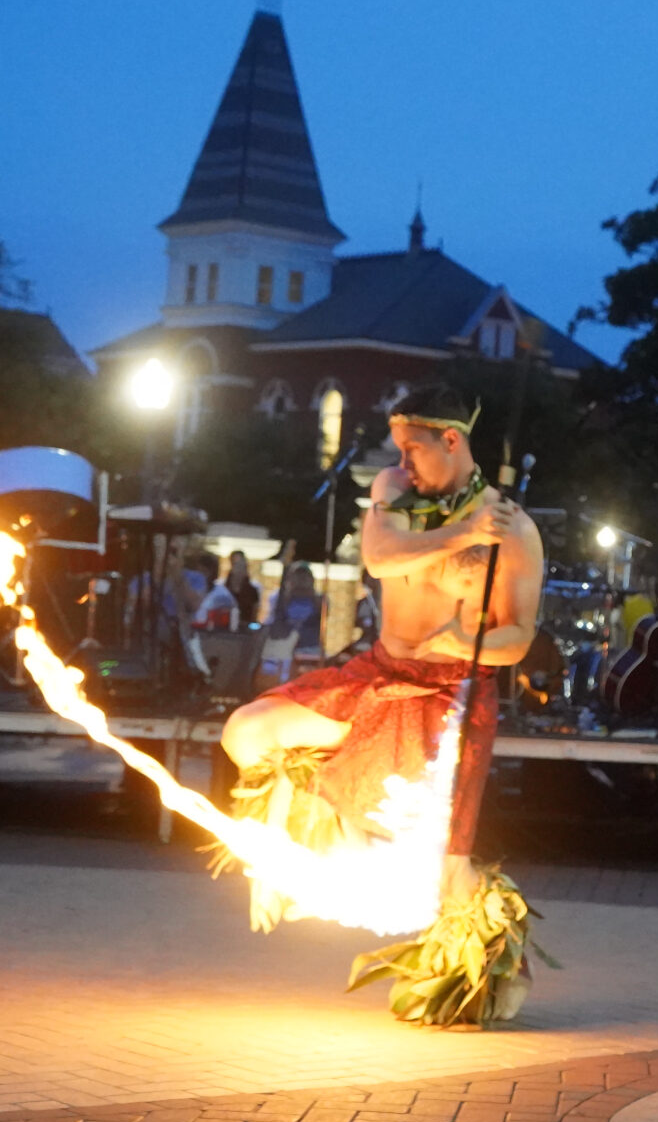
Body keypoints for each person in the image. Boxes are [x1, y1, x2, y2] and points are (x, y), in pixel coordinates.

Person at [222, 384, 542, 921]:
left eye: (412, 449)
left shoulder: (514, 532)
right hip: (380, 674)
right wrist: (465, 533)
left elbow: (518, 639)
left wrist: (466, 644)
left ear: (449, 440)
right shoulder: (395, 490)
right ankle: (307, 838)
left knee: (445, 876)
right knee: (248, 730)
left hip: (449, 694)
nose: (402, 463)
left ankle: (485, 973)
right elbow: (380, 558)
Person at [269, 563, 325, 653]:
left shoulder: (320, 599)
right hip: (284, 647)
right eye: (298, 576)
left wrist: (309, 593)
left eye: (305, 576)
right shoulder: (278, 598)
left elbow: (321, 614)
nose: (301, 579)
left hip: (310, 648)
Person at [225, 550, 261, 628]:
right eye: (236, 565)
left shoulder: (252, 591)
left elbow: (254, 613)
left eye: (242, 566)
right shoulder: (223, 589)